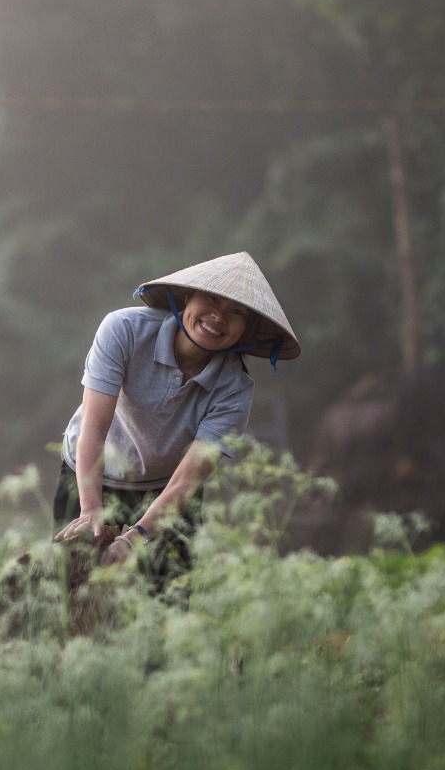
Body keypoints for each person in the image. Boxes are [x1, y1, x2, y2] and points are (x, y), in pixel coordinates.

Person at [52, 251, 300, 586]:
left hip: (166, 487)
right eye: (212, 299)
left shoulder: (234, 389)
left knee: (169, 595)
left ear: (246, 330)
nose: (219, 316)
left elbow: (188, 479)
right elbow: (94, 431)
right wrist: (90, 512)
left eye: (236, 312)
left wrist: (134, 538)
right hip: (93, 469)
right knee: (74, 588)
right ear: (187, 297)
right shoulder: (124, 330)